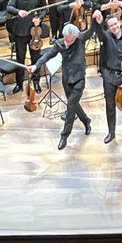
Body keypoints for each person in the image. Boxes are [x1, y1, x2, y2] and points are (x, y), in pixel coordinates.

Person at [29, 21, 94, 150]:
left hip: (79, 78)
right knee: (73, 104)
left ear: (76, 37)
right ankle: (86, 121)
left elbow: (92, 30)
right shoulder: (59, 43)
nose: (68, 43)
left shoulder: (80, 38)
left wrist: (96, 17)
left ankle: (64, 136)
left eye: (71, 40)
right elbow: (48, 55)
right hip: (67, 78)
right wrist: (36, 65)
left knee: (70, 106)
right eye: (67, 40)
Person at [91, 8, 122, 142]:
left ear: (120, 23)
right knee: (110, 105)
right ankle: (111, 132)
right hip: (109, 75)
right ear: (108, 27)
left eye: (115, 24)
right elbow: (99, 32)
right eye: (111, 25)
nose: (114, 27)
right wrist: (99, 23)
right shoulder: (106, 36)